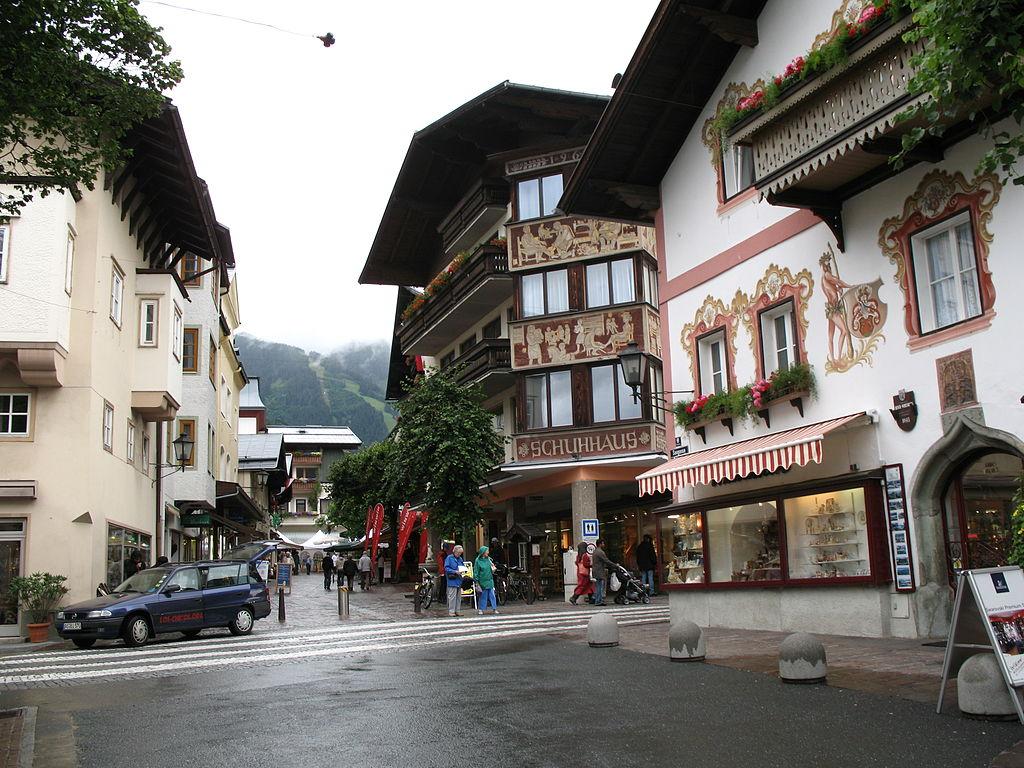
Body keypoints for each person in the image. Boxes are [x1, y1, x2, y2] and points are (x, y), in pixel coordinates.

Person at [474, 546, 497, 616]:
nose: (488, 552)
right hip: (482, 581)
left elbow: (492, 568)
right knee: (483, 595)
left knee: (492, 595)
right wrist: (476, 581)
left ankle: (494, 608)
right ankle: (481, 609)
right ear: (483, 552)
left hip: (490, 580)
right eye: (487, 551)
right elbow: (476, 571)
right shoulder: (477, 561)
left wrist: (493, 567)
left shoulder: (489, 559)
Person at [444, 545, 465, 617]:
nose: (459, 554)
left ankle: (457, 611)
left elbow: (462, 566)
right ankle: (451, 611)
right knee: (452, 596)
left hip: (459, 579)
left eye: (460, 553)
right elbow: (446, 568)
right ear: (454, 551)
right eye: (458, 553)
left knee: (458, 596)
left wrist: (463, 570)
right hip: (452, 579)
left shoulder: (460, 559)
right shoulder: (449, 558)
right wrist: (454, 571)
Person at [590, 539, 611, 606]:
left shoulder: (595, 551)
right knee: (600, 587)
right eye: (603, 543)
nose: (604, 545)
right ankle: (598, 601)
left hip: (596, 571)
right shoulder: (600, 552)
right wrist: (615, 565)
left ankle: (597, 600)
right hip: (599, 571)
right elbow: (606, 560)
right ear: (600, 544)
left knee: (598, 586)